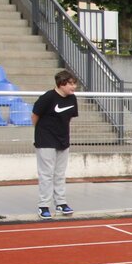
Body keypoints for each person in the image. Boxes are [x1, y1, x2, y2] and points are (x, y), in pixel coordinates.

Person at [31, 69, 80, 220]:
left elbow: (68, 119)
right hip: (45, 140)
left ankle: (61, 203)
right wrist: (42, 132)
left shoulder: (72, 99)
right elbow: (34, 116)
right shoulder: (47, 97)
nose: (74, 87)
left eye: (74, 84)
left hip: (63, 140)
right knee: (46, 174)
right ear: (61, 84)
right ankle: (43, 206)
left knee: (59, 174)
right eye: (70, 84)